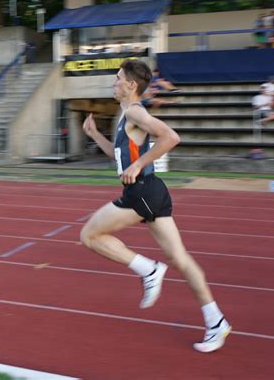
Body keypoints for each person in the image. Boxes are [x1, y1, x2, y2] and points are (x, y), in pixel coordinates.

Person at [80, 59, 231, 353]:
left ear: (131, 85)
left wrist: (138, 165)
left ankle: (148, 270)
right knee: (181, 259)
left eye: (117, 78)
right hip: (153, 192)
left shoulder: (135, 111)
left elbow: (171, 137)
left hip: (141, 192)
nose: (114, 83)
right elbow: (118, 157)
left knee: (89, 236)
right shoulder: (126, 115)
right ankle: (216, 322)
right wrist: (95, 135)